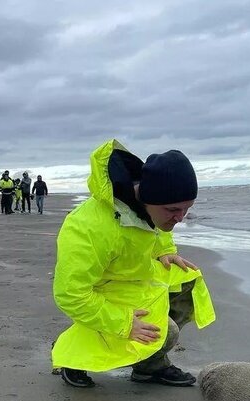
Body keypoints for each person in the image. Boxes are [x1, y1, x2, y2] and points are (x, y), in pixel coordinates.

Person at [51, 139, 216, 388]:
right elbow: (71, 294)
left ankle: (149, 367)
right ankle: (74, 358)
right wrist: (124, 323)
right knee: (166, 332)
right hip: (103, 289)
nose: (180, 219)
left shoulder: (150, 206)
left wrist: (165, 250)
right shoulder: (87, 228)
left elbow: (157, 228)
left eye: (187, 209)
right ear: (147, 198)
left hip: (134, 277)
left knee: (187, 280)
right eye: (173, 210)